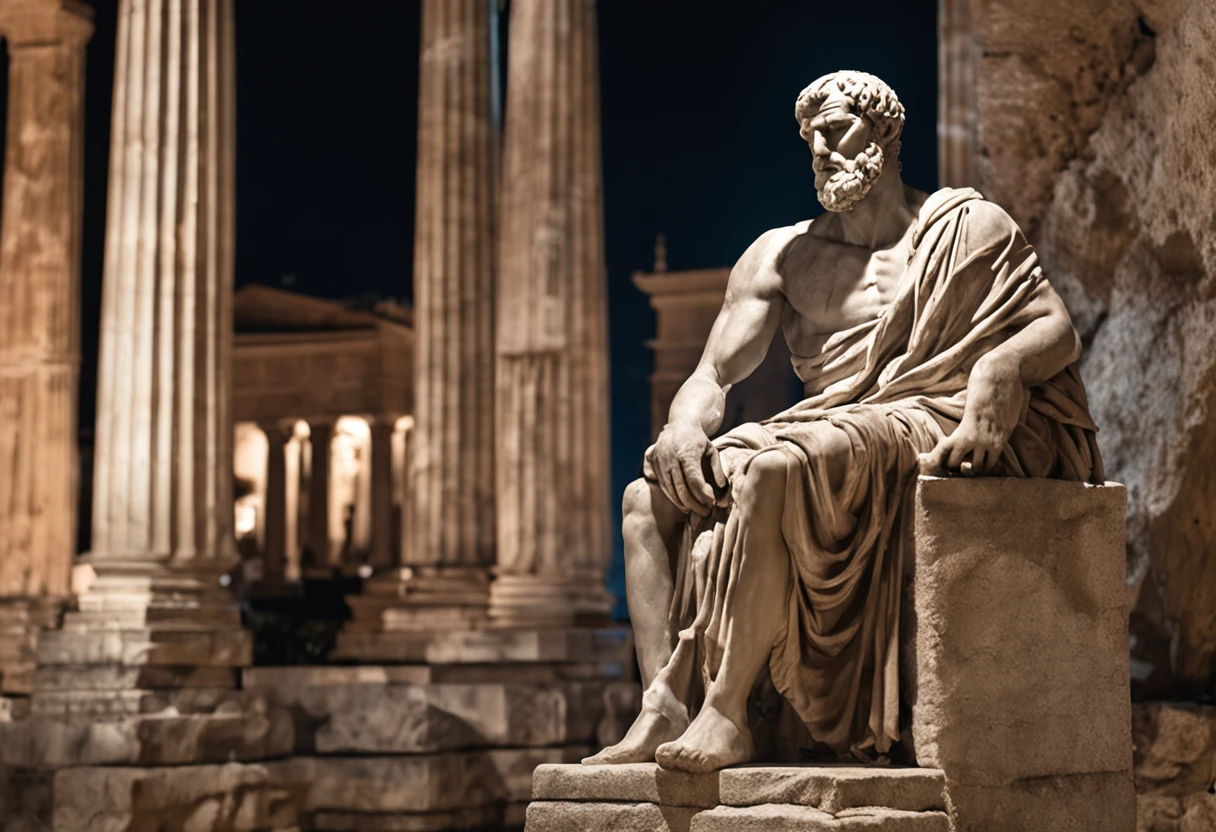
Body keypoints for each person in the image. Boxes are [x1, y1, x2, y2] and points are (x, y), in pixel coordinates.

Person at [585, 70, 1103, 774]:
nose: (821, 150)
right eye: (810, 140)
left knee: (775, 467)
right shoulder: (782, 256)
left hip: (924, 413)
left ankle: (727, 712)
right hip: (830, 421)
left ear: (886, 135)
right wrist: (681, 429)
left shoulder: (966, 226)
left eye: (836, 131)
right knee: (647, 498)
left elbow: (1055, 330)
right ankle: (663, 706)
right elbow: (712, 375)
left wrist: (997, 370)